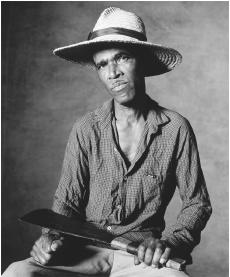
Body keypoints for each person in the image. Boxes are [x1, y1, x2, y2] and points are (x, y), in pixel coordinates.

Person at [3, 7, 212, 277]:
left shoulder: (175, 129)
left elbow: (197, 203)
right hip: (82, 253)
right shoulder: (86, 129)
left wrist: (170, 244)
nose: (112, 72)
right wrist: (50, 238)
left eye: (122, 57)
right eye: (102, 64)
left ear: (143, 61)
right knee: (17, 273)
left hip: (140, 259)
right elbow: (67, 201)